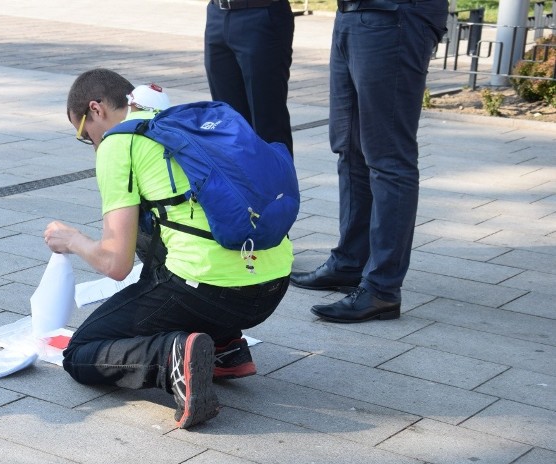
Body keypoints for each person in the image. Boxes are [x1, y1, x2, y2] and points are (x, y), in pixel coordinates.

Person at [43, 69, 293, 429]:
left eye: (84, 134)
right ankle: (224, 347)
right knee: (163, 226)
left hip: (208, 291)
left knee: (81, 354)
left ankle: (172, 358)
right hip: (270, 287)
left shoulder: (119, 141)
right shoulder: (178, 124)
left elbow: (115, 262)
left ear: (95, 109)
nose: (92, 143)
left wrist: (72, 240)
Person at [290, 0, 448, 323]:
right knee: (349, 146)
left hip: (395, 15)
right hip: (351, 15)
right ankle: (349, 262)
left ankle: (382, 288)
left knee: (388, 157)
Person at [204, 0, 295, 156]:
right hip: (217, 13)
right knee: (228, 123)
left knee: (267, 122)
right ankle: (238, 180)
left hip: (260, 12)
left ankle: (275, 180)